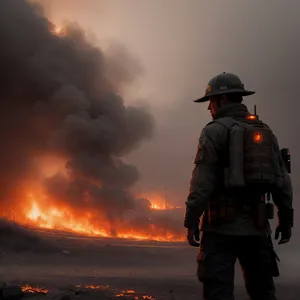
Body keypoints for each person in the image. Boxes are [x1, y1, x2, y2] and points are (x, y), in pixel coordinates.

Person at [184, 72, 293, 300]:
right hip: (257, 227)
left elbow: (202, 181)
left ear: (222, 100)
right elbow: (282, 180)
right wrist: (286, 220)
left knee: (218, 292)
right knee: (262, 292)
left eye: (211, 101)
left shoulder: (213, 131)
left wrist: (191, 219)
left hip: (220, 229)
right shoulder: (265, 132)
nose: (209, 108)